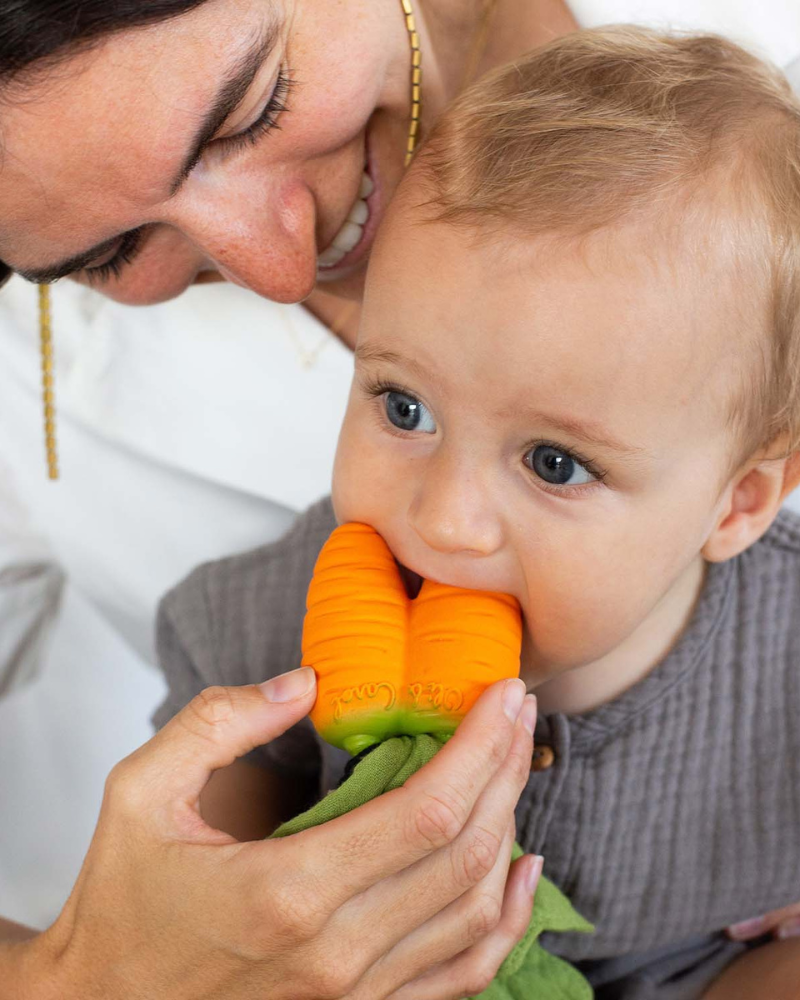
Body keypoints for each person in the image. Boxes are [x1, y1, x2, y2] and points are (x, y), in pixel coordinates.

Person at [154, 26, 800, 999]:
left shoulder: (782, 654)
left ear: (735, 502)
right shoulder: (265, 628)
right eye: (402, 407)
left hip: (699, 963)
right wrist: (245, 898)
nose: (444, 520)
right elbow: (202, 888)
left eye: (553, 462)